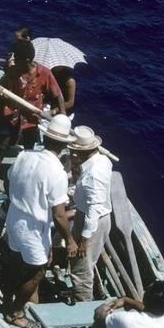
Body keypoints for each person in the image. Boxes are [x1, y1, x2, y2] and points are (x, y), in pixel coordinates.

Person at [0, 114, 78, 328]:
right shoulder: (57, 172)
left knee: (14, 262)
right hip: (33, 229)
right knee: (37, 271)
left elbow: (9, 178)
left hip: (14, 219)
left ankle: (6, 303)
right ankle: (16, 313)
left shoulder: (24, 155)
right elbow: (59, 214)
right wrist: (69, 240)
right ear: (64, 145)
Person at [0, 39, 65, 194]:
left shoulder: (44, 73)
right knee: (3, 145)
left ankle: (25, 176)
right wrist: (2, 95)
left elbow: (57, 95)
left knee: (29, 149)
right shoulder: (13, 72)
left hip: (31, 118)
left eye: (16, 60)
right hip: (12, 114)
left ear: (26, 61)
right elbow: (6, 91)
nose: (13, 63)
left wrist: (62, 116)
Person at [67, 126, 112, 302]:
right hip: (88, 216)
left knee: (81, 267)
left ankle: (82, 303)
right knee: (85, 263)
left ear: (77, 153)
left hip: (92, 222)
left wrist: (84, 240)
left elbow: (94, 208)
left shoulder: (93, 174)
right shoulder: (103, 160)